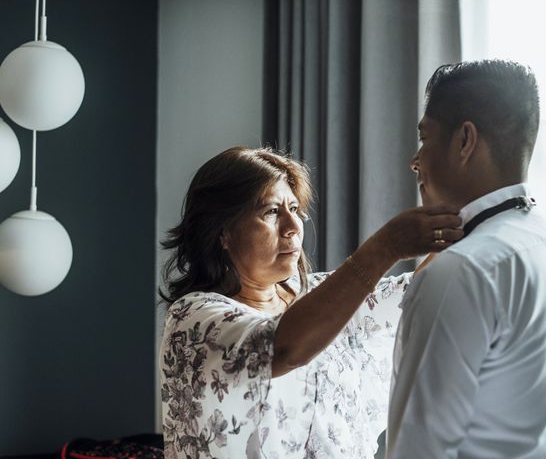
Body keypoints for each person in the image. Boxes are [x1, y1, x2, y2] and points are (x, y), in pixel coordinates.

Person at [158, 146, 463, 459]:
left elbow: (417, 293)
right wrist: (385, 247)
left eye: (295, 209)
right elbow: (283, 348)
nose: (293, 227)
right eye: (271, 212)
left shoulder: (318, 293)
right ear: (222, 232)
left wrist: (450, 212)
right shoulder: (193, 317)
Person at [386, 59, 546, 458]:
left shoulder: (461, 271)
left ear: (465, 140)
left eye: (424, 138)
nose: (415, 160)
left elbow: (417, 450)